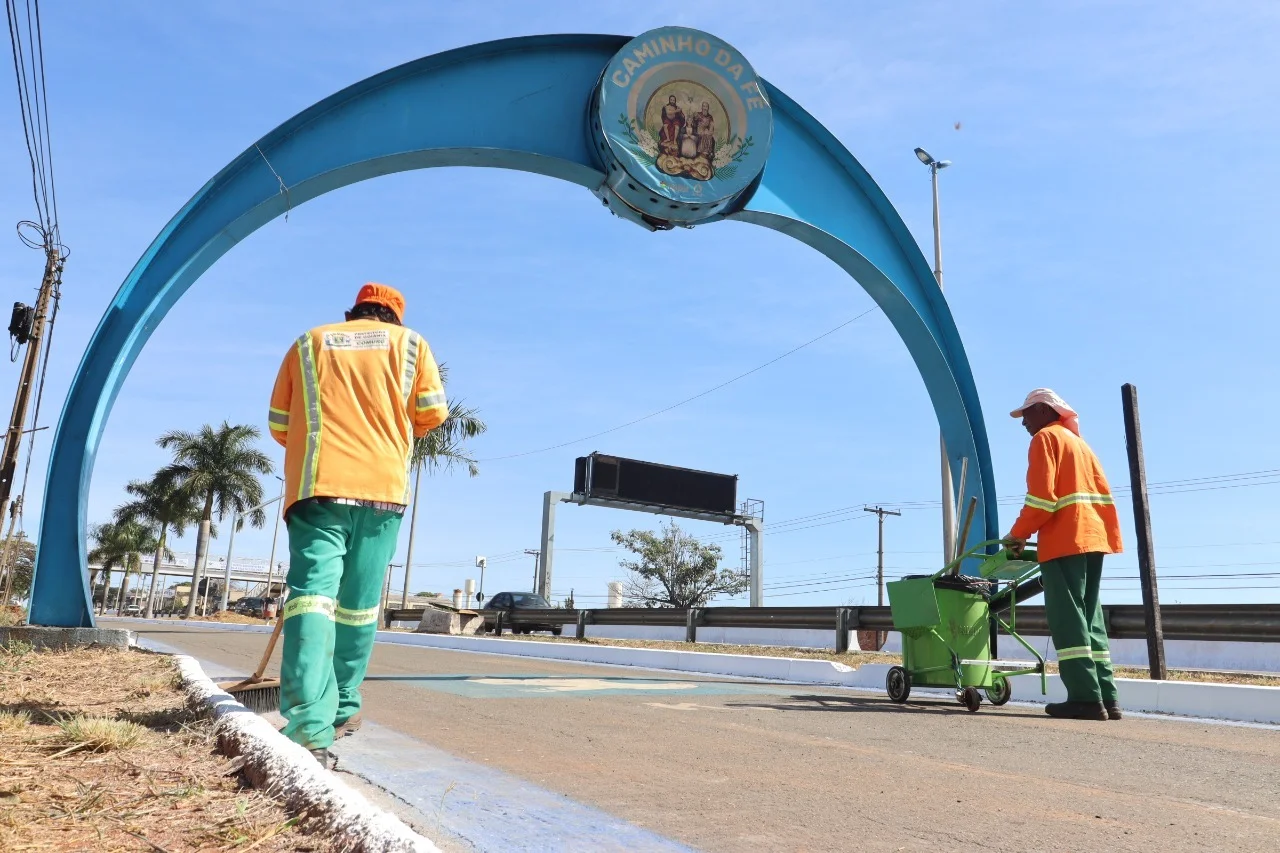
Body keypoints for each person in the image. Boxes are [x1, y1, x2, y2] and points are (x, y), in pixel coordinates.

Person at [268, 283, 448, 765]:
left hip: (318, 487)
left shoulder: (309, 342)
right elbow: (431, 414)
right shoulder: (412, 346)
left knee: (312, 597)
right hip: (382, 493)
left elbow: (280, 424)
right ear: (394, 317)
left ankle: (309, 723)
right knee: (359, 607)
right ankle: (344, 706)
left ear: (353, 312)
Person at [1005, 389, 1124, 721]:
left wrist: (1017, 535)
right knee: (1090, 618)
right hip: (1094, 538)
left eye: (1026, 414)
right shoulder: (1081, 445)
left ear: (1044, 411)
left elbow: (1042, 499)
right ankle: (1106, 697)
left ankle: (1085, 698)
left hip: (1064, 540)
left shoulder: (1046, 439)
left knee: (1068, 619)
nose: (1024, 423)